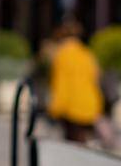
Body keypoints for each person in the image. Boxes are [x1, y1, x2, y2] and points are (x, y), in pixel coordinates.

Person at [47, 19, 116, 148]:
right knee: (83, 144)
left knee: (73, 145)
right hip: (90, 105)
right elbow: (96, 78)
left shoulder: (62, 55)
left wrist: (55, 109)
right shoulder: (87, 54)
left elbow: (60, 84)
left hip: (71, 108)